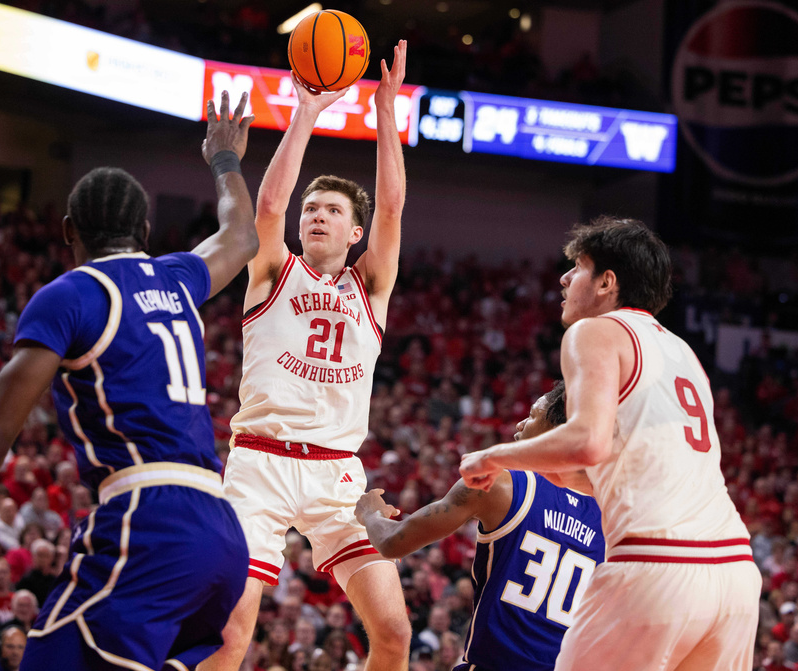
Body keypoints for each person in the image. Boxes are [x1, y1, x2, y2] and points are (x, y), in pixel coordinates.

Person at [0, 90, 258, 670]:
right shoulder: (175, 279)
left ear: (68, 230)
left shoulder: (72, 295)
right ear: (145, 229)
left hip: (147, 523)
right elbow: (241, 237)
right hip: (222, 534)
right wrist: (225, 161)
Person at [459, 218, 761, 670]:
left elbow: (587, 441)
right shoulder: (684, 353)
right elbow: (615, 466)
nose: (564, 279)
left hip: (656, 568)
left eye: (577, 267)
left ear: (607, 282)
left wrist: (493, 456)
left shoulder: (594, 331)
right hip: (734, 573)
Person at [202, 41, 411, 671]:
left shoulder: (369, 287)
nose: (315, 215)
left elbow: (393, 207)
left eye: (332, 211)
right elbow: (266, 207)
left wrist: (384, 110)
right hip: (259, 466)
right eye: (311, 209)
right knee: (232, 632)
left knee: (395, 633)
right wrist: (306, 112)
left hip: (336, 478)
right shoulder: (272, 272)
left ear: (355, 233)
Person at [356, 382, 604, 670]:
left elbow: (392, 542)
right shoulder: (612, 520)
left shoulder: (501, 484)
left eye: (534, 415)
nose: (521, 423)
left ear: (557, 430)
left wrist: (370, 514)